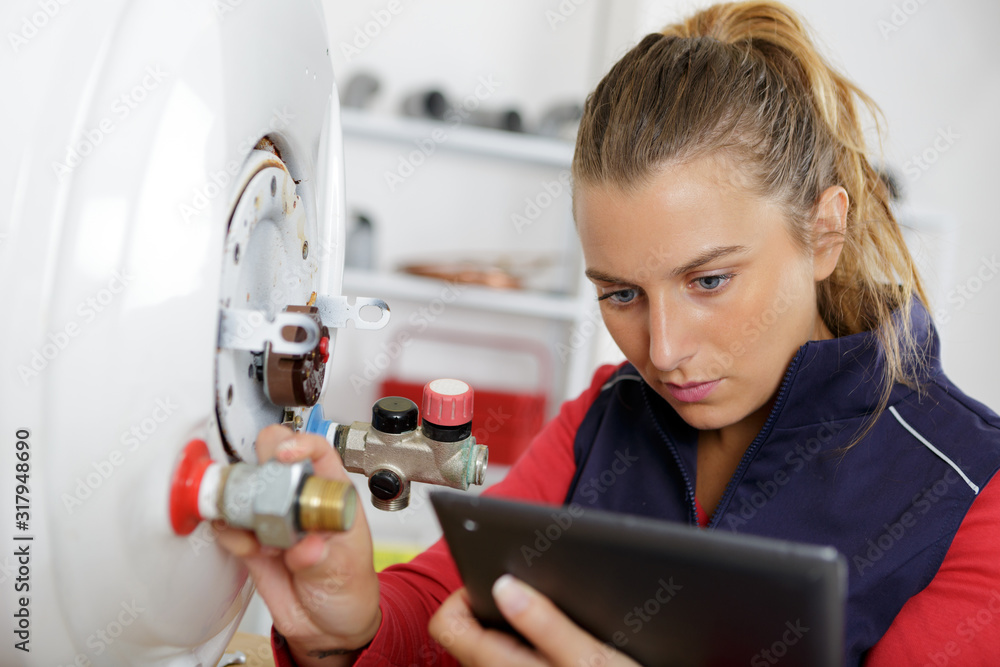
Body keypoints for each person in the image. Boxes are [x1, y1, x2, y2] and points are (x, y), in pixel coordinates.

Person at [218, 2, 1000, 665]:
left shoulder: (974, 491)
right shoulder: (607, 412)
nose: (662, 350)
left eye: (710, 281)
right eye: (621, 292)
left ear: (824, 234)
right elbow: (439, 607)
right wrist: (348, 626)